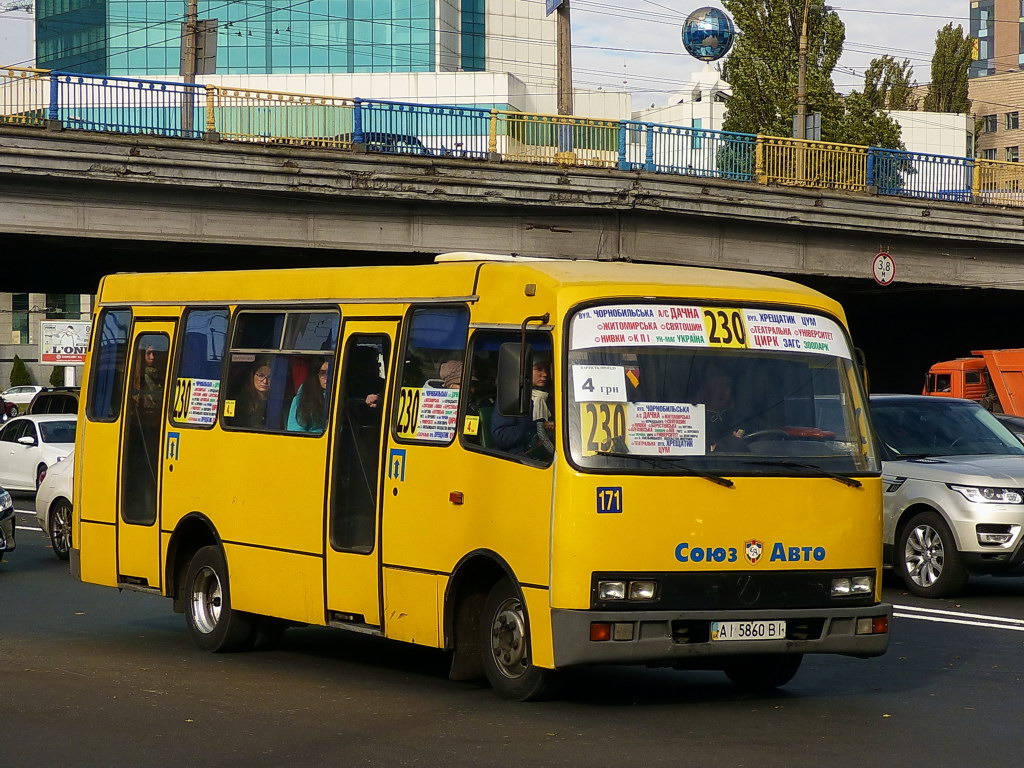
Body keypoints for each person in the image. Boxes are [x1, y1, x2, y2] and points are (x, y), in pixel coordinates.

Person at [491, 355, 554, 458]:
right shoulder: (512, 398)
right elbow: (501, 437)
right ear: (525, 371)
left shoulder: (552, 398)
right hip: (518, 458)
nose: (545, 374)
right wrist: (538, 426)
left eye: (547, 369)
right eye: (538, 369)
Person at [694, 363, 749, 453]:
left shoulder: (738, 416)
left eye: (726, 385)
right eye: (717, 384)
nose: (722, 391)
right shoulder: (694, 417)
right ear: (705, 388)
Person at [288, 356, 329, 432]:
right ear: (316, 375)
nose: (327, 377)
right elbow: (295, 431)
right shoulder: (302, 398)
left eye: (330, 373)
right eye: (323, 373)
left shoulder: (341, 396)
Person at [233, 358, 272, 428]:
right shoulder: (241, 401)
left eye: (269, 377)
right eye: (261, 376)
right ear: (252, 376)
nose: (265, 381)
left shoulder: (276, 404)